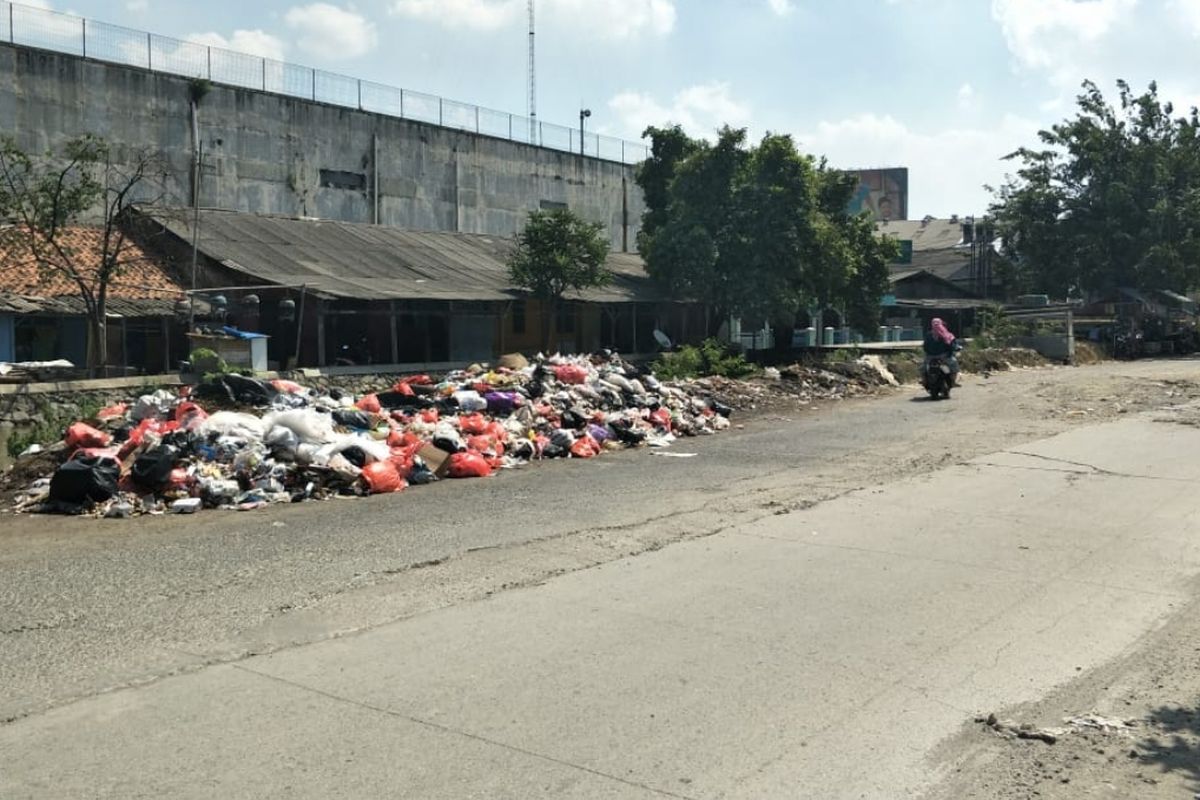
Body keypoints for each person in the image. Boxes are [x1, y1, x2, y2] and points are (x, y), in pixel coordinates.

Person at [923, 317, 961, 382]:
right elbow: (951, 345)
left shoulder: (929, 334)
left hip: (930, 357)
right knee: (954, 365)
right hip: (944, 356)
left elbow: (925, 346)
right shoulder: (947, 334)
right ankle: (953, 380)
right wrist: (951, 352)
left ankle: (923, 379)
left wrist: (929, 353)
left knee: (923, 367)